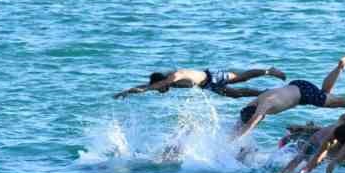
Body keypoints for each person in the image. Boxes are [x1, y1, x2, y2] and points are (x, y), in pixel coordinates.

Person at [234, 56, 345, 135]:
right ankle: (340, 68)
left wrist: (233, 142)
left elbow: (250, 125)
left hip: (304, 94)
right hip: (296, 86)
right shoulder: (257, 101)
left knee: (338, 102)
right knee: (325, 93)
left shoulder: (262, 107)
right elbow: (242, 119)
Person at [114, 65, 284, 99]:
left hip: (213, 77)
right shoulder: (169, 82)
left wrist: (130, 92)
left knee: (242, 78)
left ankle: (269, 70)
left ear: (161, 83)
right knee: (237, 95)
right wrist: (127, 91)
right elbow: (146, 87)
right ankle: (267, 93)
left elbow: (147, 88)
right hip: (208, 85)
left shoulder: (174, 77)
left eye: (160, 89)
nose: (159, 91)